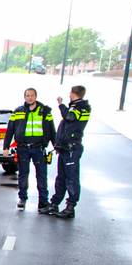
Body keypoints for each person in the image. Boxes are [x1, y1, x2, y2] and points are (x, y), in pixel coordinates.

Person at [3, 88, 55, 212]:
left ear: (36, 96)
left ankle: (43, 202)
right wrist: (6, 147)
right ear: (24, 97)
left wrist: (56, 145)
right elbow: (10, 130)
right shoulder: (18, 111)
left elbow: (52, 130)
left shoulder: (45, 111)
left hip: (38, 148)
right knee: (23, 174)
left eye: (32, 95)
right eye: (27, 95)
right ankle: (22, 199)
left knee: (41, 175)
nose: (29, 97)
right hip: (23, 148)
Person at [47, 85, 90, 219]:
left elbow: (69, 117)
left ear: (73, 93)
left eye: (70, 93)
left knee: (71, 178)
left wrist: (61, 105)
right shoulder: (76, 106)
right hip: (65, 148)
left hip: (72, 148)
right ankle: (55, 203)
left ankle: (70, 207)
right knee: (61, 178)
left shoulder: (80, 107)